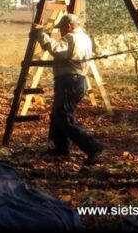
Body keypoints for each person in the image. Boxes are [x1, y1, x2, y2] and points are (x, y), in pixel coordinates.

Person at [35, 14, 103, 165]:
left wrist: (41, 35)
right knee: (58, 114)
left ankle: (92, 147)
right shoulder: (85, 37)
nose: (61, 32)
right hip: (78, 80)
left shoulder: (71, 38)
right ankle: (61, 148)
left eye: (62, 28)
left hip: (69, 80)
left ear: (69, 26)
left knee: (63, 115)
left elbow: (57, 50)